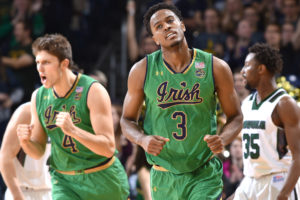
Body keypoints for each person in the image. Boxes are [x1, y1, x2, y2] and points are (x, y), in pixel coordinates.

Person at [120, 3, 243, 200]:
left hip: (203, 172)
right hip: (163, 174)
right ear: (155, 39)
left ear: (182, 25)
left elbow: (236, 116)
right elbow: (126, 120)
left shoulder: (215, 67)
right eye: (158, 26)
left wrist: (223, 139)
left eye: (170, 21)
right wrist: (142, 139)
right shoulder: (141, 71)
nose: (166, 27)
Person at [16, 34, 129, 200]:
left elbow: (108, 148)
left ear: (64, 64)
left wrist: (74, 131)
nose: (40, 68)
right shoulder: (38, 97)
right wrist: (25, 142)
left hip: (102, 178)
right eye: (38, 62)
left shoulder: (93, 91)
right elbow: (38, 151)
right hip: (64, 181)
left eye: (46, 62)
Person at [233, 43, 300, 200]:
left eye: (247, 66)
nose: (242, 71)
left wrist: (284, 193)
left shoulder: (284, 104)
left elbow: (299, 156)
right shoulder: (247, 102)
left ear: (261, 69)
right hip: (250, 179)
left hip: (278, 179)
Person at [0, 102, 51, 200]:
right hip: (24, 192)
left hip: (54, 191)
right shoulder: (27, 111)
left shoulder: (69, 112)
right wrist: (17, 195)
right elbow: (5, 157)